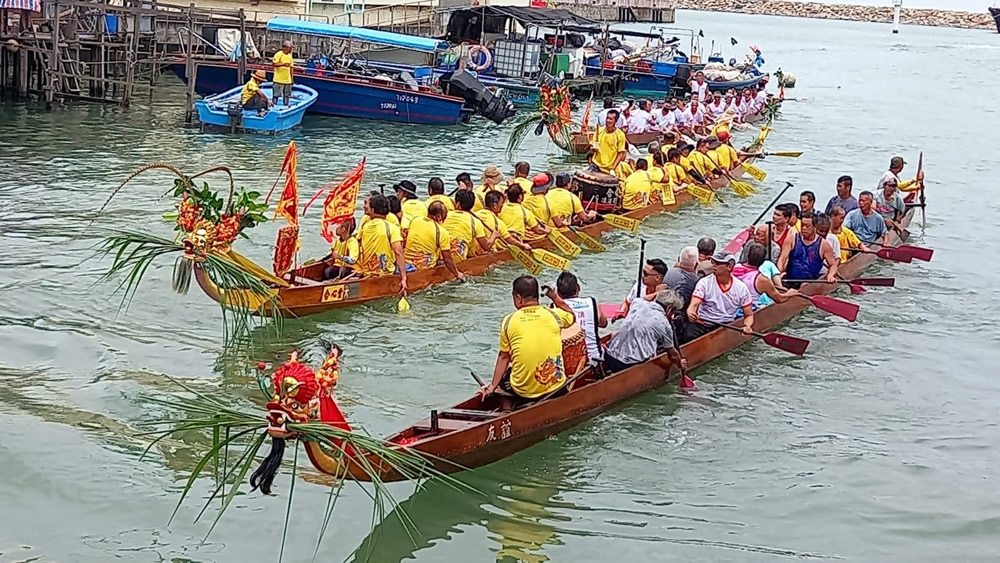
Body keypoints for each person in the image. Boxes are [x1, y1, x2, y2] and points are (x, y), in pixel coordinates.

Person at [481, 276, 576, 401]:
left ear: (518, 298)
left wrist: (493, 386)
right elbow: (572, 316)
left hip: (523, 393)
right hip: (556, 389)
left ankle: (507, 407)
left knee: (506, 375)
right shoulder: (554, 314)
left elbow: (504, 357)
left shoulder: (508, 321)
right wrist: (555, 297)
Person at [603, 289, 687, 375]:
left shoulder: (637, 303)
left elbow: (646, 298)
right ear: (669, 308)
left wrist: (658, 293)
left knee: (616, 333)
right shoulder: (664, 324)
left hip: (608, 356)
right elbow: (672, 355)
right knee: (654, 349)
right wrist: (680, 363)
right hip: (628, 364)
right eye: (674, 311)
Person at [683, 251, 754, 343]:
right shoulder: (704, 283)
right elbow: (694, 304)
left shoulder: (741, 288)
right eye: (713, 262)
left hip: (725, 326)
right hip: (703, 323)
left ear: (729, 267)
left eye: (718, 263)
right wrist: (690, 311)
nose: (714, 266)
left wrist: (747, 326)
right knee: (687, 336)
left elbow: (749, 315)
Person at [356, 193, 407, 295]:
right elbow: (398, 252)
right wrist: (404, 278)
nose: (365, 207)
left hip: (366, 272)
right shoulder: (392, 228)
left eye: (368, 206)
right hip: (386, 273)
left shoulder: (365, 226)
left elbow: (358, 244)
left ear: (374, 210)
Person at [556, 271, 608, 366]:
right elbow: (604, 324)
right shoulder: (592, 302)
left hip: (569, 365)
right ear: (578, 288)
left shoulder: (554, 307)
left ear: (558, 293)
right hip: (596, 359)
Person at [404, 202, 466, 281]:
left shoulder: (415, 220)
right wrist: (457, 274)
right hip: (424, 268)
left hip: (406, 264)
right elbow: (447, 260)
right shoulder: (441, 232)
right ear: (439, 216)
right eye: (444, 216)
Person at [778, 212, 838, 284]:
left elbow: (833, 265)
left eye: (807, 226)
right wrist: (778, 273)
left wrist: (830, 275)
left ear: (814, 227)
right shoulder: (791, 239)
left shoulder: (824, 245)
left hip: (810, 283)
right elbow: (782, 259)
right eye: (802, 225)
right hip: (790, 279)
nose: (804, 228)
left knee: (804, 284)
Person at [733, 242, 798, 308]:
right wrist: (789, 294)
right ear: (763, 261)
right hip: (749, 309)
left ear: (747, 256)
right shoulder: (762, 279)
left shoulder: (734, 267)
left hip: (732, 305)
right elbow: (779, 299)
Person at [444, 190, 496, 259]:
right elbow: (486, 246)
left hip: (441, 257)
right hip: (457, 259)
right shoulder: (475, 221)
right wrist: (494, 235)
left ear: (457, 203)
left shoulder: (445, 215)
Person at [591, 110, 627, 175]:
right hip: (596, 164)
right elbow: (592, 145)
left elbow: (621, 153)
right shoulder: (599, 131)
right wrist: (593, 149)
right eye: (607, 118)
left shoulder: (620, 135)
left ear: (615, 121)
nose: (608, 120)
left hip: (610, 167)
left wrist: (613, 168)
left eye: (611, 119)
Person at [271, 40, 295, 106]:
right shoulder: (279, 54)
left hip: (287, 80)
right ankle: (273, 106)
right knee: (276, 95)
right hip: (278, 79)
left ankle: (286, 106)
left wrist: (292, 79)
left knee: (287, 95)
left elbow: (291, 68)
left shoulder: (290, 56)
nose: (291, 50)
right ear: (286, 48)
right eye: (290, 48)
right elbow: (274, 64)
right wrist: (283, 64)